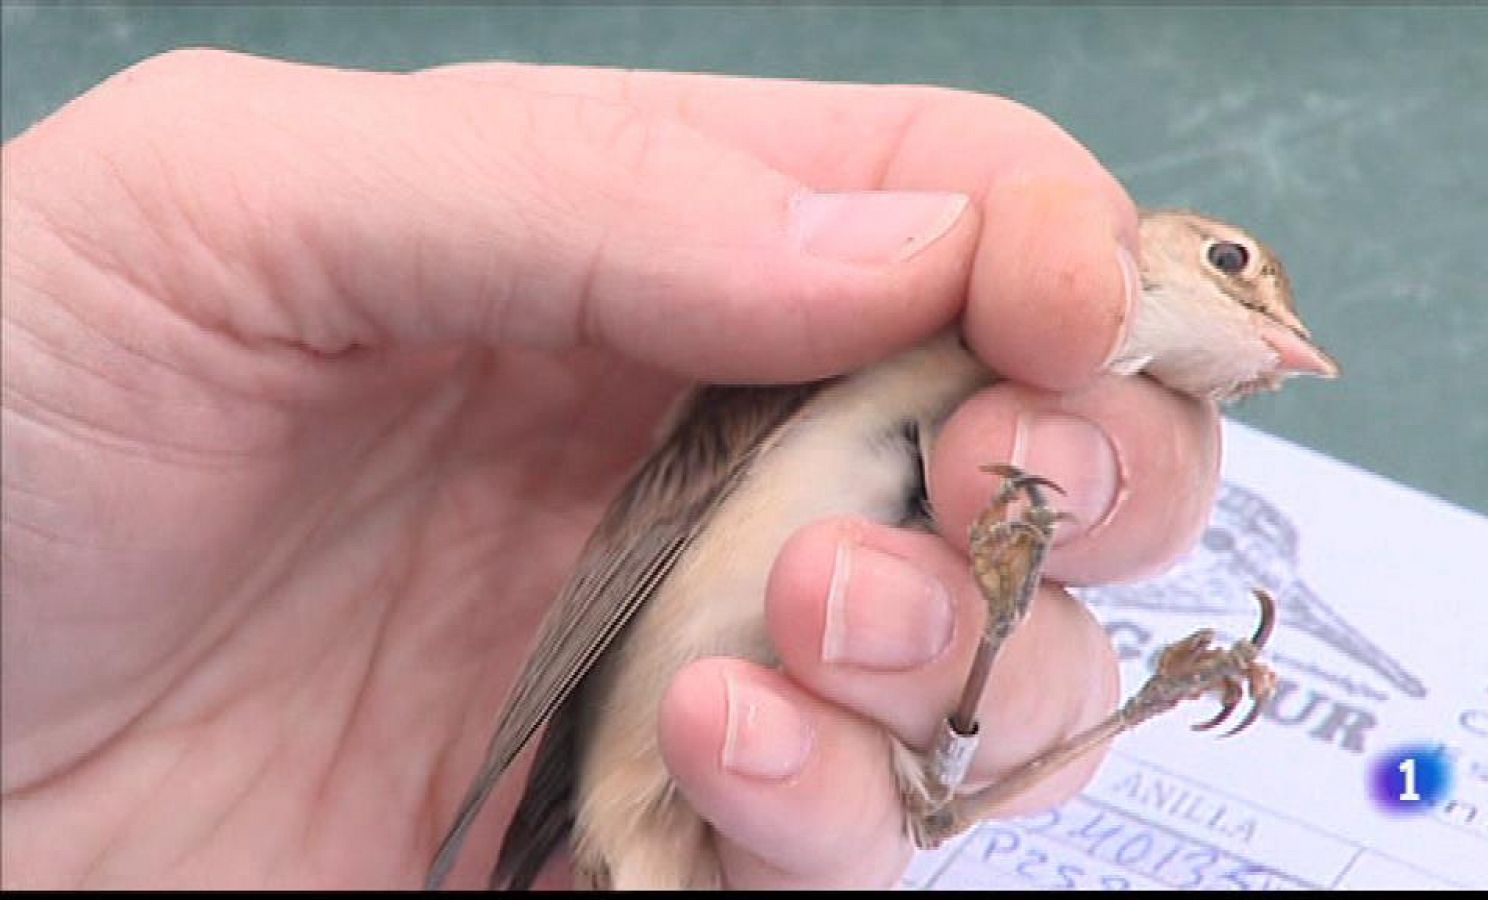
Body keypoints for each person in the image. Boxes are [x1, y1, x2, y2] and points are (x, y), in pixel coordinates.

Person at [1, 49, 1220, 889]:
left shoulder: (982, 396)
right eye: (1232, 266)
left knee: (919, 770)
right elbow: (654, 546)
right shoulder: (881, 316)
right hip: (615, 758)